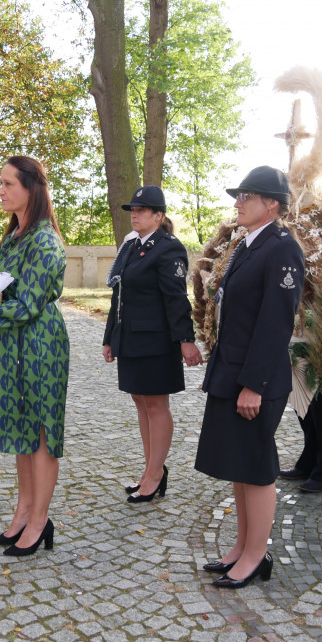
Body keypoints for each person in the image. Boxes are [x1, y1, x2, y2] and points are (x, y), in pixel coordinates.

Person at [195, 166, 304, 588]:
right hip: (234, 370)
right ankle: (241, 546)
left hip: (256, 380)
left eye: (246, 196)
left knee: (257, 467)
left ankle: (257, 555)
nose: (237, 203)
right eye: (238, 196)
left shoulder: (281, 249)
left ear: (271, 203)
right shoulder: (249, 244)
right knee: (240, 465)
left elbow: (275, 324)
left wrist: (253, 385)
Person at [0, 156, 68, 556]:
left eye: (9, 183)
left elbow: (27, 304)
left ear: (32, 188)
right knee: (21, 431)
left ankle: (40, 520)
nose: (1, 190)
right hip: (9, 344)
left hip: (38, 344)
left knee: (42, 433)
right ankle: (22, 514)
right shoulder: (14, 235)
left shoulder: (44, 239)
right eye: (1, 183)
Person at [102, 185, 202, 503]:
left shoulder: (169, 248)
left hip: (157, 342)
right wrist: (109, 338)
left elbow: (176, 299)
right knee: (141, 404)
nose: (135, 215)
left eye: (141, 210)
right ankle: (150, 470)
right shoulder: (133, 247)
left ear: (158, 215)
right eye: (133, 210)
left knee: (156, 406)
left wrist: (186, 340)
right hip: (131, 340)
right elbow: (119, 295)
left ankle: (156, 474)